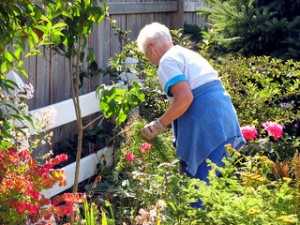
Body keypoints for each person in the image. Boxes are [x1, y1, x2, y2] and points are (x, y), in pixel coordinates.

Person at [137, 22, 246, 207]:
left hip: (207, 127)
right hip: (224, 123)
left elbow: (185, 99)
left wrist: (158, 125)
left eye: (147, 56)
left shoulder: (166, 61)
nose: (150, 60)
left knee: (195, 193)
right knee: (213, 192)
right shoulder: (187, 54)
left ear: (151, 49)